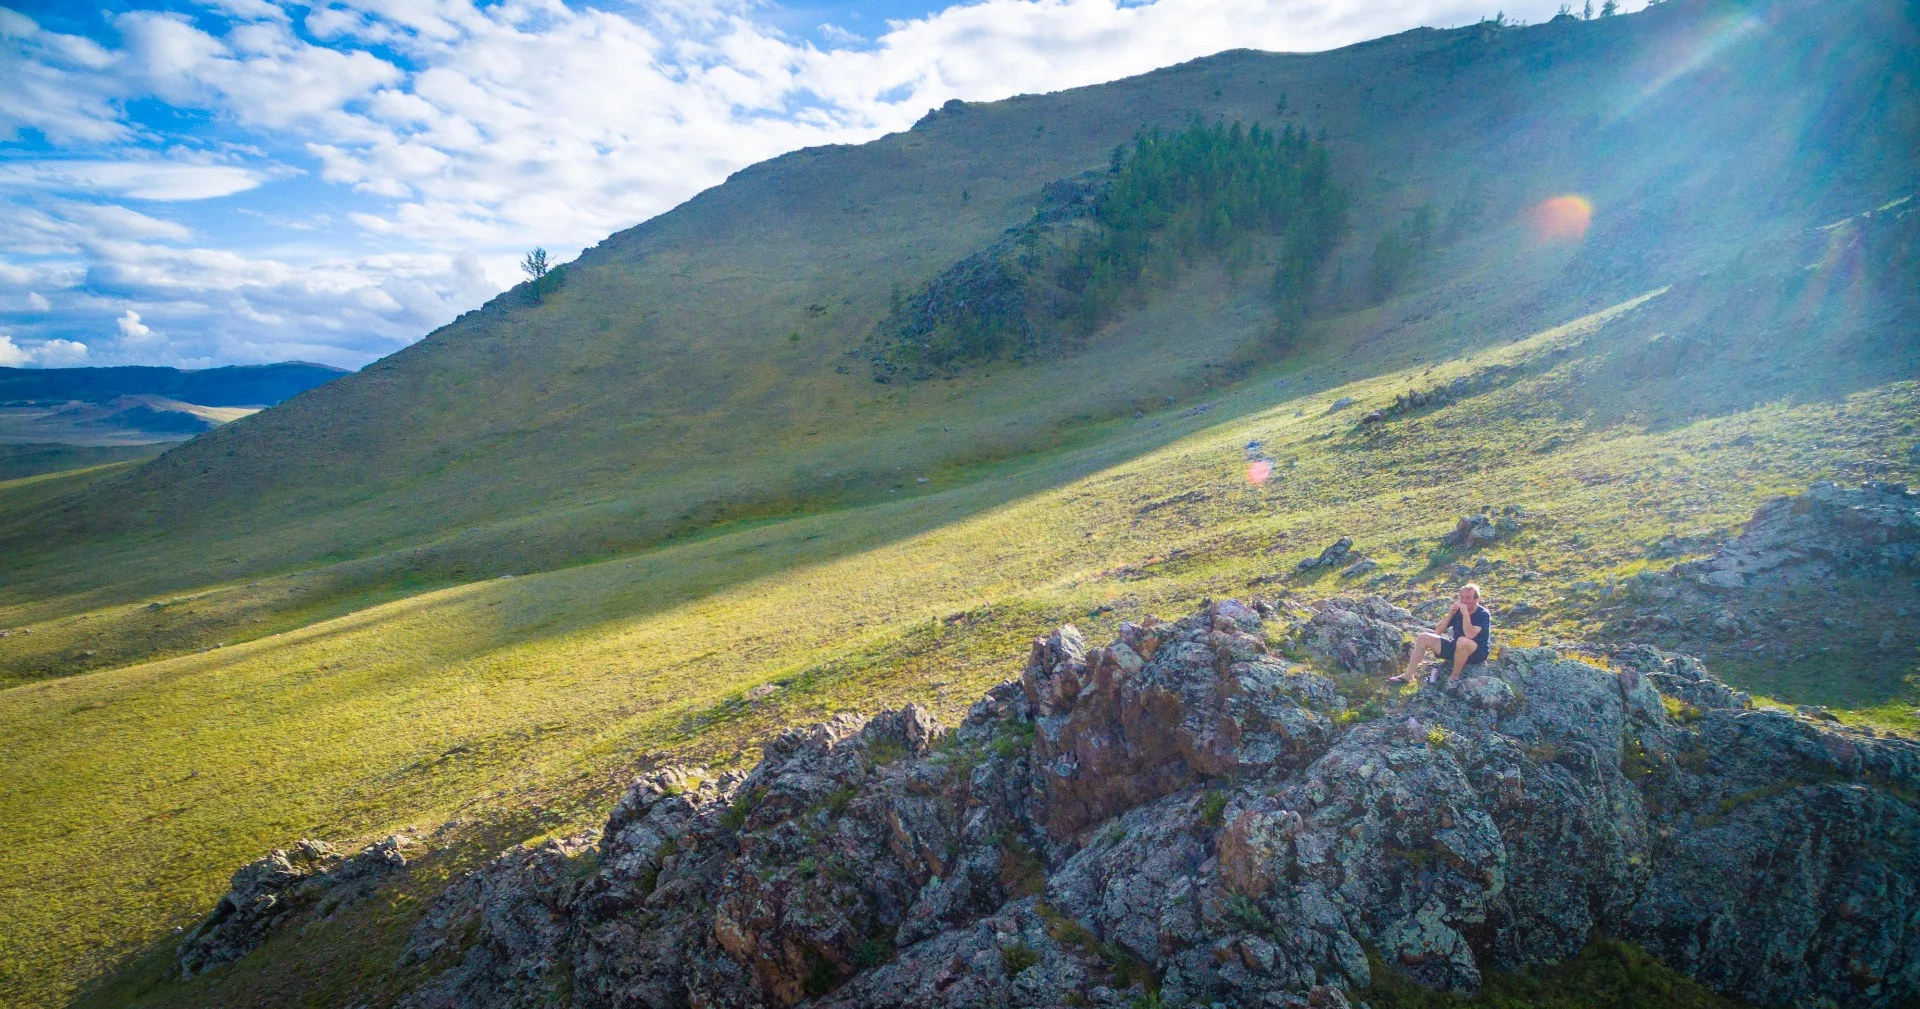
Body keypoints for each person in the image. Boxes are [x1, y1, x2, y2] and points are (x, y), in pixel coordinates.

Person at [1391, 584, 1492, 685]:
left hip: (1477, 652)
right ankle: (1408, 675)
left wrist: (1465, 614)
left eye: (1468, 598)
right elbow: (1438, 631)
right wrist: (1450, 614)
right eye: (1461, 597)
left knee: (1463, 640)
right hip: (1456, 647)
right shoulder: (1458, 612)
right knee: (1424, 637)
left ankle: (1454, 677)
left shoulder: (1483, 614)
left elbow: (1470, 635)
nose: (1463, 600)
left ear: (1476, 599)